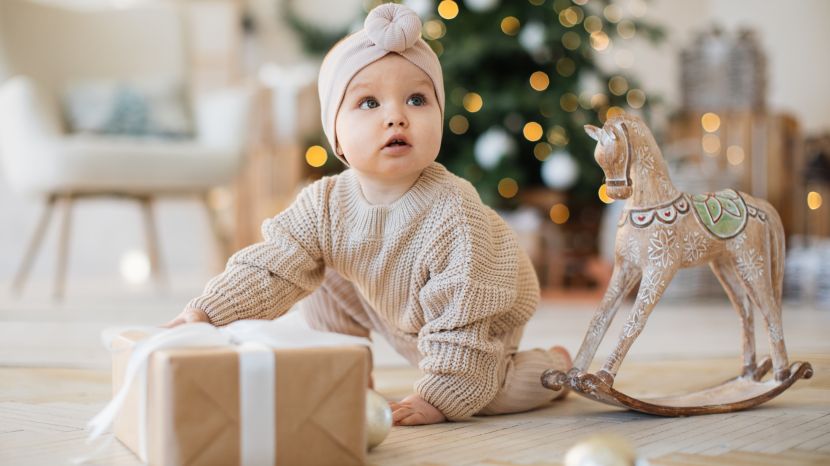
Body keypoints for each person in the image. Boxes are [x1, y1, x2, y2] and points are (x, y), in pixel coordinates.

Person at [165, 2, 571, 426]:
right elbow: (272, 266)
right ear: (335, 132)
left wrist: (441, 397)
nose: (396, 116)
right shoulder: (323, 202)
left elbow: (464, 311)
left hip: (478, 323)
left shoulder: (454, 211)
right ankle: (347, 371)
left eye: (416, 99)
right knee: (312, 268)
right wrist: (209, 311)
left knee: (487, 392)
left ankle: (553, 366)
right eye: (368, 103)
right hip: (388, 302)